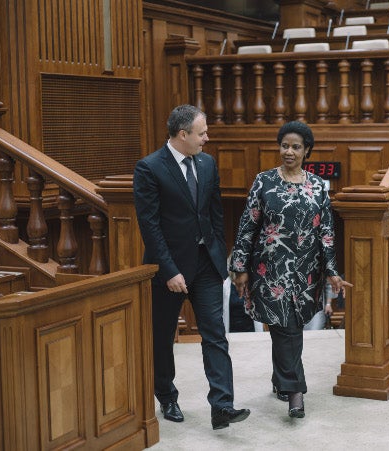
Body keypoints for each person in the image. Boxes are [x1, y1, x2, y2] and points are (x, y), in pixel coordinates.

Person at [133, 104, 250, 430]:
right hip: (168, 268)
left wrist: (219, 255)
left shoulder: (208, 163)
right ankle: (167, 396)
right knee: (162, 336)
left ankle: (222, 406)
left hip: (206, 265)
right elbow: (150, 226)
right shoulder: (149, 168)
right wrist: (169, 270)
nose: (207, 139)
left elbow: (214, 214)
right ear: (182, 134)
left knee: (215, 333)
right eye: (202, 133)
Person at [230, 121, 352, 419]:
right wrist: (240, 267)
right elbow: (248, 226)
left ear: (306, 150)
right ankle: (295, 392)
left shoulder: (317, 187)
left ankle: (280, 379)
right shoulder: (264, 182)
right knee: (286, 328)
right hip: (270, 270)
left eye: (296, 146)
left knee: (288, 325)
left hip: (306, 273)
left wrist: (332, 271)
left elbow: (326, 232)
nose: (289, 151)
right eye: (285, 145)